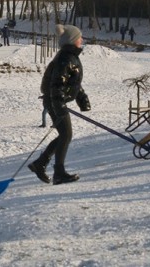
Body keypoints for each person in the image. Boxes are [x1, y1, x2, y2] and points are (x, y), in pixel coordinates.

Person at [28, 24, 90, 185]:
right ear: (72, 40)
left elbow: (73, 82)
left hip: (56, 101)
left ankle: (40, 164)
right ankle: (57, 172)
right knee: (66, 134)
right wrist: (59, 105)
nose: (81, 39)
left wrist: (82, 98)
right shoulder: (66, 57)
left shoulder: (70, 56)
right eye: (79, 37)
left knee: (65, 135)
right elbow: (57, 84)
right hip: (55, 101)